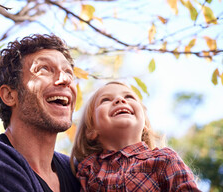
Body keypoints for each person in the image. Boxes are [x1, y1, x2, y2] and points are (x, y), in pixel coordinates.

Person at [0, 34, 81, 192]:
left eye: (69, 72)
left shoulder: (77, 173)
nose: (65, 79)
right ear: (10, 95)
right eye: (44, 69)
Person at [70, 81, 201, 191]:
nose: (120, 100)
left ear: (145, 124)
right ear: (91, 131)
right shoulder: (87, 169)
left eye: (129, 97)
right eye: (105, 100)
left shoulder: (164, 159)